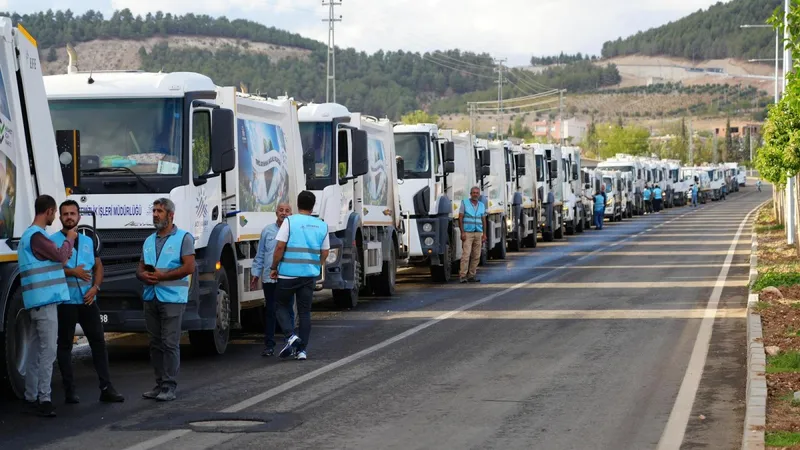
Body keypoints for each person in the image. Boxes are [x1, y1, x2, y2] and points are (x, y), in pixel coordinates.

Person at [51, 200, 124, 404]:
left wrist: (96, 287)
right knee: (65, 346)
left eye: (72, 213)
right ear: (60, 217)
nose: (69, 217)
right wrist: (72, 272)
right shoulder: (53, 241)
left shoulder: (87, 241)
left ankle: (106, 388)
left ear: (79, 216)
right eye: (65, 214)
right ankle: (69, 391)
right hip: (66, 302)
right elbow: (51, 269)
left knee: (99, 343)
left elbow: (98, 267)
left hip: (88, 300)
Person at [18, 195, 74, 417]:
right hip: (46, 302)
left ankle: (31, 395)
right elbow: (61, 256)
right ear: (49, 211)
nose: (55, 217)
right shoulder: (38, 236)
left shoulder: (27, 236)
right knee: (47, 352)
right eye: (55, 213)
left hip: (35, 302)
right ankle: (44, 399)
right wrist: (70, 239)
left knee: (34, 351)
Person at [136, 198, 195, 402]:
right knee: (155, 343)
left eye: (159, 211)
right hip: (151, 297)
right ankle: (159, 383)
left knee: (170, 343)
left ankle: (169, 386)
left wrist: (163, 276)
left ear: (170, 215)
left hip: (172, 298)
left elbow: (189, 267)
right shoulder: (148, 240)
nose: (155, 214)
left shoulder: (184, 238)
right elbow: (140, 268)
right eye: (153, 211)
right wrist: (143, 275)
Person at [271, 191, 329, 361]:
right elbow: (325, 252)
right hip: (309, 275)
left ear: (297, 204)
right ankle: (302, 351)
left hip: (288, 274)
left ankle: (290, 336)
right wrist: (316, 265)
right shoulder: (321, 225)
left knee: (280, 305)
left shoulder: (289, 221)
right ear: (313, 206)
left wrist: (274, 267)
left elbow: (279, 248)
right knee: (304, 312)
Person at [251, 202, 296, 357]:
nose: (284, 213)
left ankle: (290, 342)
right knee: (270, 310)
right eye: (281, 210)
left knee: (288, 309)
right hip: (269, 278)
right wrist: (256, 273)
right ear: (276, 213)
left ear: (291, 214)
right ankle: (269, 345)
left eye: (287, 211)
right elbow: (261, 254)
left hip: (287, 277)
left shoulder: (293, 232)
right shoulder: (267, 231)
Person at [458, 187, 486, 283]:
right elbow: (460, 218)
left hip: (478, 233)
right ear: (470, 194)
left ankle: (471, 275)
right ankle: (463, 276)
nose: (475, 194)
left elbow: (483, 220)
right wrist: (462, 232)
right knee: (466, 255)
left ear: (479, 194)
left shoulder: (481, 205)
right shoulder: (464, 203)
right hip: (468, 233)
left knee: (476, 256)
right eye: (473, 193)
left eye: (477, 193)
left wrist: (484, 234)